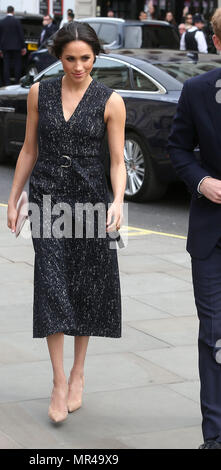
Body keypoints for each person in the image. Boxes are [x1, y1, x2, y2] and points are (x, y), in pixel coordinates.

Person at [7, 21, 126, 423]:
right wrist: (14, 197)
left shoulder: (111, 101)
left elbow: (117, 162)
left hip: (92, 203)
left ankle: (78, 373)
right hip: (48, 199)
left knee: (87, 286)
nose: (78, 66)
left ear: (96, 56)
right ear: (58, 56)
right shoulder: (40, 92)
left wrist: (119, 201)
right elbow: (28, 149)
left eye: (86, 59)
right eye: (70, 58)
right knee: (52, 285)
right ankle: (58, 381)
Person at [168, 6, 221, 450]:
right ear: (218, 42)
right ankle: (216, 436)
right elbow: (177, 147)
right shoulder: (198, 91)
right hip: (212, 238)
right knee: (214, 334)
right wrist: (202, 181)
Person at [0, 6, 26, 86]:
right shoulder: (17, 21)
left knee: (6, 65)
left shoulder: (2, 21)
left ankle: (7, 82)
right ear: (13, 12)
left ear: (7, 12)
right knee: (17, 64)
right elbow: (21, 35)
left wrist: (0, 49)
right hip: (16, 47)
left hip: (5, 47)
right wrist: (23, 47)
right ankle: (16, 82)